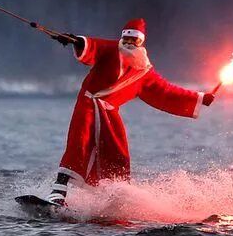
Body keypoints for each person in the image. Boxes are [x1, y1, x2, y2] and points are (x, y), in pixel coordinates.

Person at [45, 18, 213, 205]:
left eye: (134, 41)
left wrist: (199, 98)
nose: (129, 43)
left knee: (118, 155)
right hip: (88, 105)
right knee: (79, 144)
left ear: (141, 42)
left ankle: (108, 200)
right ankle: (58, 192)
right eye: (126, 39)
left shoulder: (144, 73)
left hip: (109, 114)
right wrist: (76, 41)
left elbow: (166, 92)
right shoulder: (110, 50)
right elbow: (92, 46)